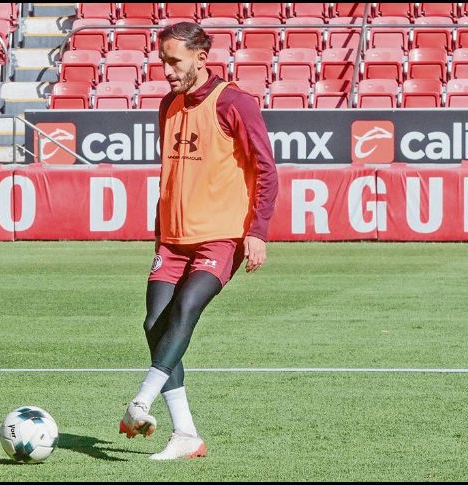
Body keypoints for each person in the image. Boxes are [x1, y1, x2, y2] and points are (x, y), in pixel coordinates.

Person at [118, 22, 280, 460]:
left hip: (220, 237)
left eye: (174, 61)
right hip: (172, 240)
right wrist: (160, 235)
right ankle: (186, 434)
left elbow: (266, 169)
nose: (167, 70)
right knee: (154, 324)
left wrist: (257, 231)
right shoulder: (167, 105)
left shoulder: (234, 102)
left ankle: (140, 401)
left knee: (185, 309)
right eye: (162, 61)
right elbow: (170, 175)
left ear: (201, 58)